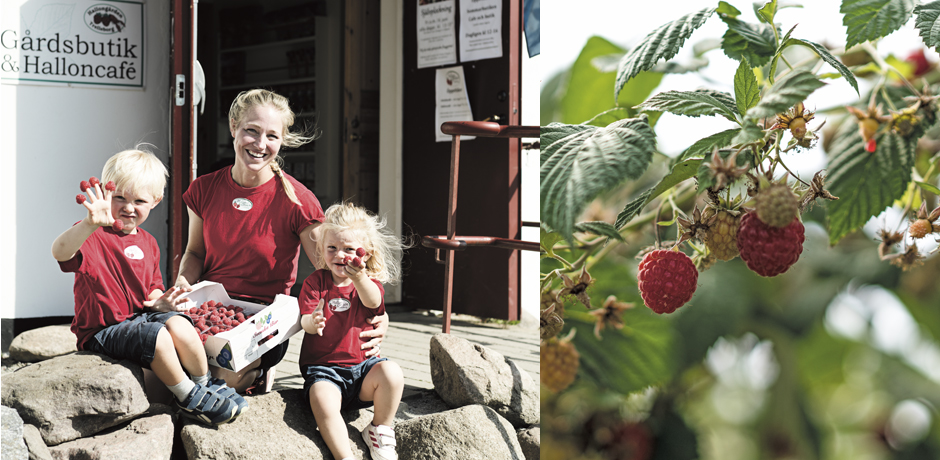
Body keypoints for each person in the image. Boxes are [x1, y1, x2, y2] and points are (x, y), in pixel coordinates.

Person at [175, 89, 389, 393]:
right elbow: (195, 253)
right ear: (233, 126)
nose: (260, 144)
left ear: (282, 140)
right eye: (251, 130)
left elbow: (335, 272)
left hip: (266, 321)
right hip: (211, 311)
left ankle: (259, 375)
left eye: (272, 136)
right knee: (162, 372)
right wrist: (183, 283)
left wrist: (380, 314)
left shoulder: (298, 200)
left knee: (222, 380)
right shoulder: (203, 189)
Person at [52, 148, 244, 426]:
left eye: (139, 200)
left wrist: (163, 301)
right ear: (107, 196)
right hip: (103, 330)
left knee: (181, 325)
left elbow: (151, 290)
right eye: (120, 198)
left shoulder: (149, 243)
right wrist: (87, 224)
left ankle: (204, 384)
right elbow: (60, 253)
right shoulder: (93, 236)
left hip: (138, 319)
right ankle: (188, 396)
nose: (129, 207)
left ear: (155, 201)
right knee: (159, 336)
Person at [299, 202, 406, 460]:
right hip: (324, 370)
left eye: (349, 249)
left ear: (365, 254)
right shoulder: (315, 282)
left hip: (363, 371)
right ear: (322, 250)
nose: (339, 255)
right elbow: (304, 321)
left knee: (392, 373)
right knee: (321, 399)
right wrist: (314, 322)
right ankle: (344, 455)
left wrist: (359, 278)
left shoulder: (368, 284)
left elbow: (373, 303)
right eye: (332, 248)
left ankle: (379, 430)